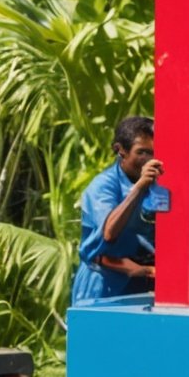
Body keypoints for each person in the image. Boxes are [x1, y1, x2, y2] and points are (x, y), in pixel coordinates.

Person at [71, 115, 162, 304]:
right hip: (102, 286)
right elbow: (109, 232)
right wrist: (139, 187)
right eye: (142, 152)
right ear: (120, 150)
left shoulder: (158, 184)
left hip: (141, 282)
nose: (149, 160)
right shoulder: (102, 186)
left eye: (154, 153)